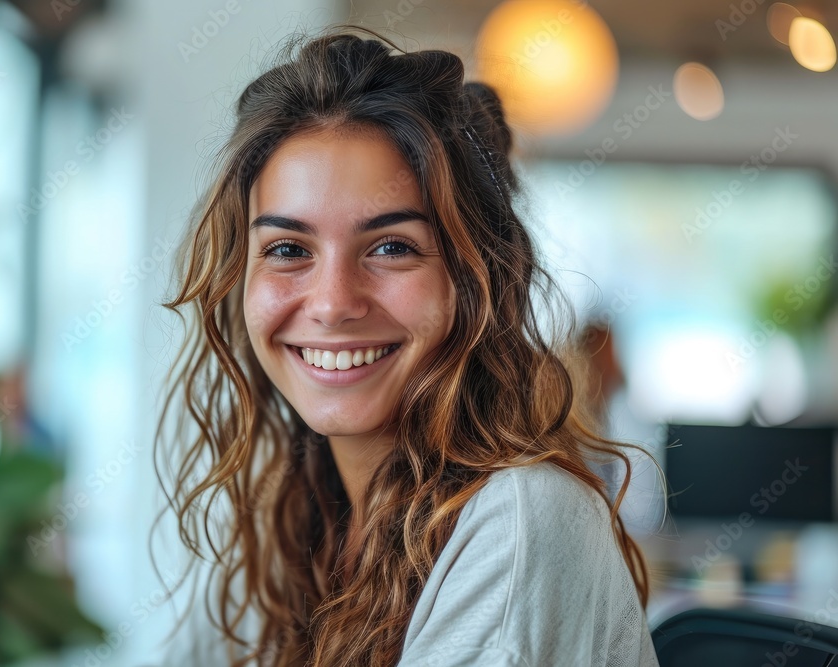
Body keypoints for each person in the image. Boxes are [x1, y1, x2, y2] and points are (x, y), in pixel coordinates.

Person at [158, 24, 661, 667]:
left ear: (474, 280)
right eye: (288, 249)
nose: (334, 302)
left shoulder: (521, 520)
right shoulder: (287, 525)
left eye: (392, 247)